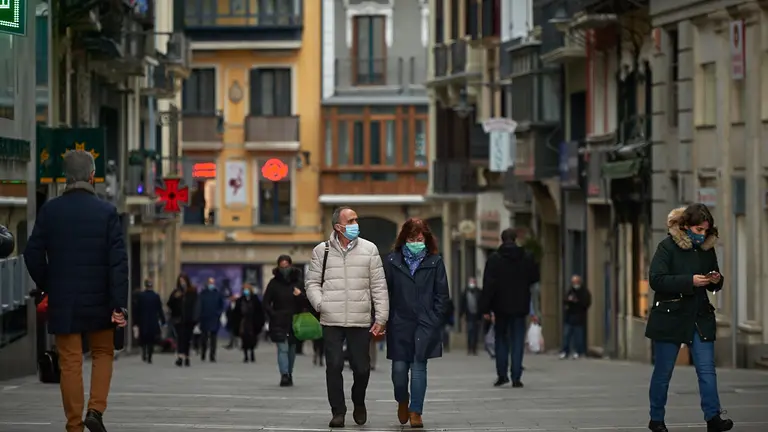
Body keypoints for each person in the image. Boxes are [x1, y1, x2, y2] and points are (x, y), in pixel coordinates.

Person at [24, 150, 128, 432]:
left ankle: (74, 425)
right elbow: (118, 263)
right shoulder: (107, 213)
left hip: (64, 300)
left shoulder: (50, 211)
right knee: (103, 352)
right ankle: (95, 410)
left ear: (65, 178)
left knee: (70, 361)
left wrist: (50, 284)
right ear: (92, 176)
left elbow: (32, 254)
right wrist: (119, 304)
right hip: (101, 300)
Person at [646, 205, 733, 432]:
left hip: (699, 316)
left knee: (706, 369)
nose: (702, 235)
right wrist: (689, 281)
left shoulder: (706, 249)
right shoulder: (667, 247)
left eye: (706, 230)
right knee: (663, 371)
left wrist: (716, 280)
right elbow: (656, 279)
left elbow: (714, 280)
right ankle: (656, 419)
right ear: (685, 226)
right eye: (698, 229)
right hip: (671, 316)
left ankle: (713, 417)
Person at [305, 206, 389, 428]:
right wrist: (321, 304)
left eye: (356, 220)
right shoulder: (321, 251)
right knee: (333, 366)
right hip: (331, 319)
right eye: (350, 221)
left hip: (359, 320)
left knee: (362, 368)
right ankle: (338, 411)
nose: (355, 224)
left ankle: (358, 401)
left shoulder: (370, 250)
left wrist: (381, 318)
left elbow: (379, 287)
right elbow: (312, 283)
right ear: (338, 227)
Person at [384, 218, 449, 428]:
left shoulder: (435, 262)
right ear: (404, 239)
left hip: (425, 323)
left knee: (419, 368)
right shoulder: (392, 261)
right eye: (412, 239)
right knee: (399, 371)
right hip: (399, 323)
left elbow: (442, 295)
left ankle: (416, 411)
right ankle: (402, 400)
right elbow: (384, 292)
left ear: (426, 239)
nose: (415, 243)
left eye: (419, 239)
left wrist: (435, 319)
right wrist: (384, 318)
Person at [479, 228, 539, 388]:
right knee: (517, 341)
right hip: (520, 305)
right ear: (515, 238)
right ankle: (516, 376)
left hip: (500, 306)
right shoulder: (527, 257)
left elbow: (488, 285)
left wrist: (485, 308)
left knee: (501, 340)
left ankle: (502, 374)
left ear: (502, 239)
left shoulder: (494, 259)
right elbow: (534, 278)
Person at [263, 255, 308, 386]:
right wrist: (273, 314)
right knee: (282, 348)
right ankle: (284, 375)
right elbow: (266, 302)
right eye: (282, 266)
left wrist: (299, 296)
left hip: (295, 321)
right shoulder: (274, 283)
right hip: (279, 321)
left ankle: (289, 372)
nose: (284, 269)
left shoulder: (299, 283)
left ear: (291, 266)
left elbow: (307, 303)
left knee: (292, 349)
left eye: (286, 266)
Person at [167, 274, 198, 367]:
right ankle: (180, 357)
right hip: (178, 319)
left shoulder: (192, 291)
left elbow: (196, 304)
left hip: (189, 319)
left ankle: (187, 357)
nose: (182, 283)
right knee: (180, 338)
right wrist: (175, 298)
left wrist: (195, 318)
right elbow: (169, 304)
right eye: (180, 281)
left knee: (187, 338)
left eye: (183, 281)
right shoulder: (176, 292)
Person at [559, 274, 591, 360]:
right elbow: (565, 300)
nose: (575, 284)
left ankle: (578, 351)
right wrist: (568, 301)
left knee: (578, 337)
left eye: (576, 282)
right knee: (566, 336)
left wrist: (577, 301)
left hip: (579, 317)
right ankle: (565, 351)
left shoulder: (584, 292)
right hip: (569, 317)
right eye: (573, 282)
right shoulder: (570, 291)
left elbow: (586, 303)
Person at [232, 281, 265, 363]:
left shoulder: (255, 300)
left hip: (252, 322)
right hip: (243, 322)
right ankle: (246, 355)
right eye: (244, 289)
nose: (246, 291)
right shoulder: (240, 300)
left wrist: (259, 322)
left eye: (247, 289)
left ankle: (252, 353)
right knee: (244, 339)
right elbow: (236, 313)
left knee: (252, 338)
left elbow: (260, 311)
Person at [135, 279, 165, 364]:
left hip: (143, 320)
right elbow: (160, 309)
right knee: (151, 339)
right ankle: (150, 356)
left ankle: (144, 352)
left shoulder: (141, 296)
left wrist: (136, 321)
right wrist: (163, 320)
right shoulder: (156, 296)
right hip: (153, 320)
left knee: (143, 338)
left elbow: (137, 309)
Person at [198, 277, 224, 362]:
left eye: (212, 282)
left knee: (213, 338)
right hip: (204, 318)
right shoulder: (203, 294)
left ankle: (212, 355)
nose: (211, 284)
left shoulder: (217, 294)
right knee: (204, 337)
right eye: (210, 282)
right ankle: (203, 353)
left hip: (214, 318)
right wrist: (199, 315)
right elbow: (199, 305)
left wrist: (218, 313)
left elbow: (221, 305)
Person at [460, 277, 483, 355]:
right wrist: (461, 314)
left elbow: (481, 303)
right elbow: (462, 304)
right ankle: (470, 348)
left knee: (476, 332)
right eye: (471, 282)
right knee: (470, 331)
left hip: (477, 315)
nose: (472, 283)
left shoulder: (479, 292)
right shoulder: (465, 292)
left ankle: (474, 348)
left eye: (473, 282)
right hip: (469, 315)